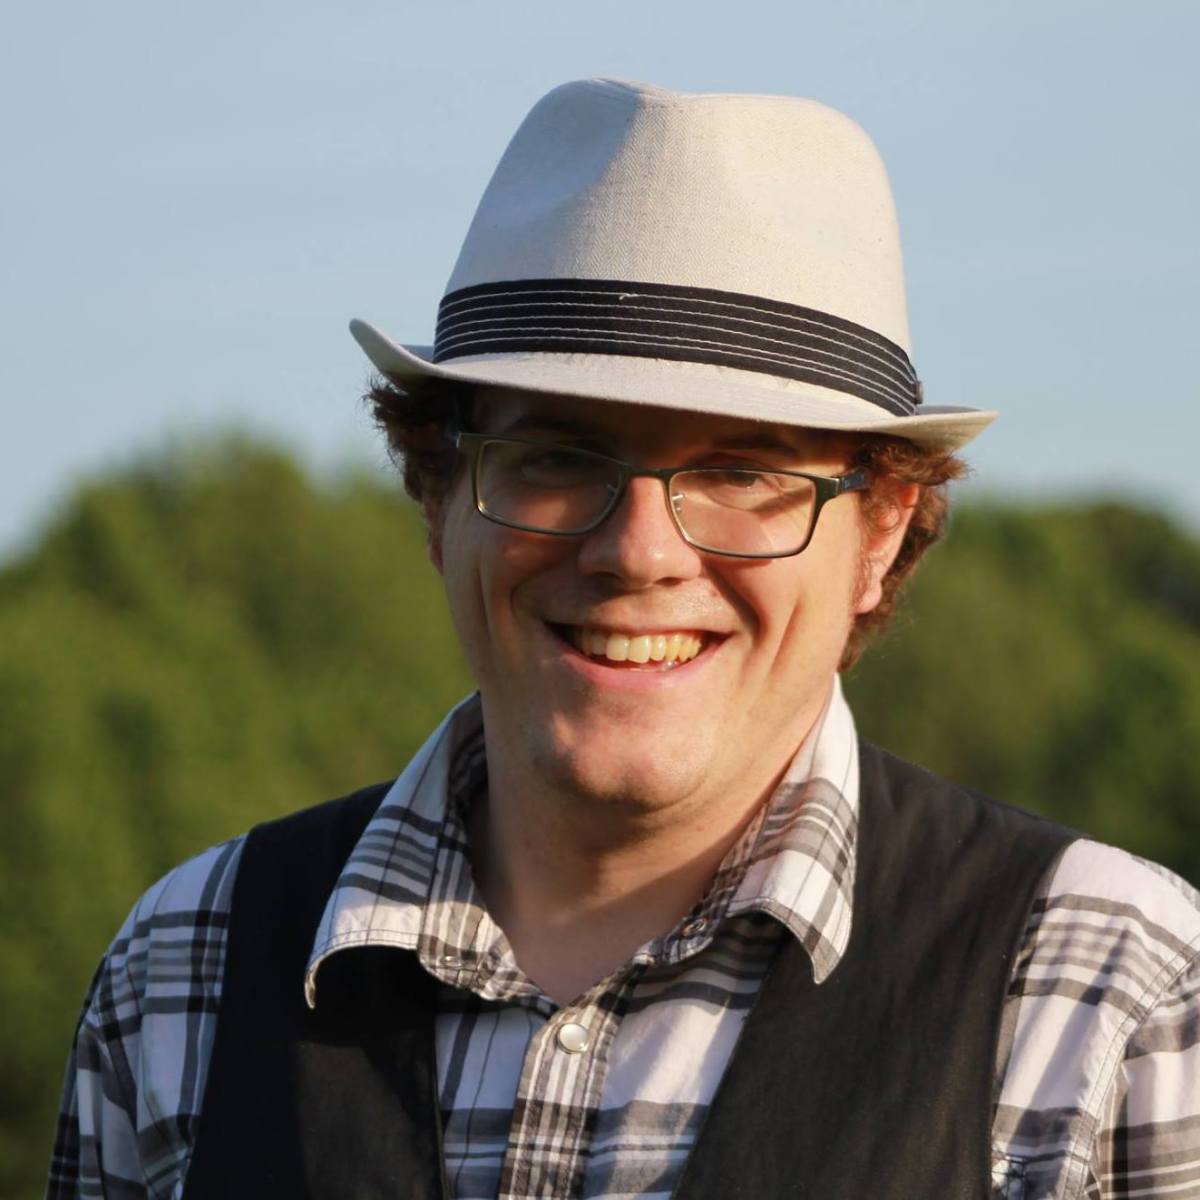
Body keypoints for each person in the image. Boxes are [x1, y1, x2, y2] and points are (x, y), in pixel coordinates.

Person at [48, 78, 1200, 1200]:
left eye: (741, 470)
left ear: (882, 533)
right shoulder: (185, 968)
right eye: (558, 456)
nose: (639, 552)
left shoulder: (1107, 995)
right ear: (436, 494)